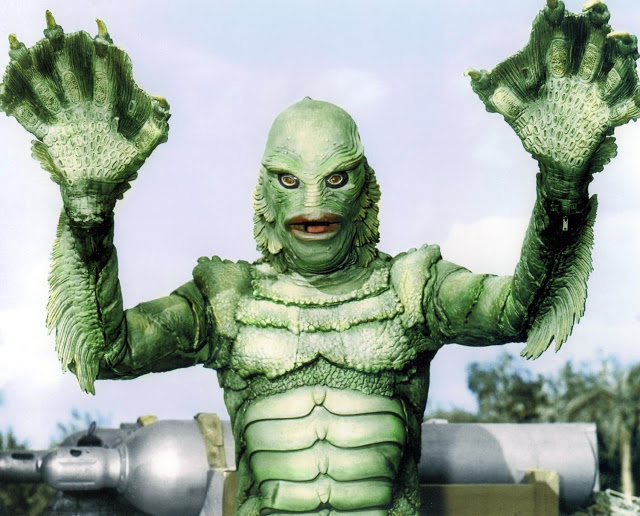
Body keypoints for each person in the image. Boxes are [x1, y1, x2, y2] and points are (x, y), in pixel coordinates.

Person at [2, 2, 638, 514]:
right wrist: (88, 211)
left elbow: (520, 309)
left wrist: (563, 184)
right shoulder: (225, 301)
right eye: (290, 181)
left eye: (335, 180)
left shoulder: (412, 290)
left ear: (364, 189)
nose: (313, 204)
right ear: (265, 196)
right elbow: (109, 351)